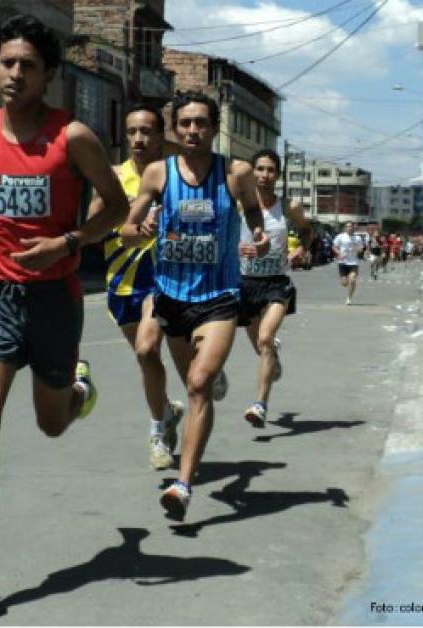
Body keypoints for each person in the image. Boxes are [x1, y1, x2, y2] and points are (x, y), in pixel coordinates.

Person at [0, 14, 129, 610]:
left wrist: (66, 244)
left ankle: (76, 390)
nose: (15, 74)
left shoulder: (73, 138)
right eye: (7, 63)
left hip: (53, 299)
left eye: (28, 66)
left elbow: (115, 208)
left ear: (49, 77)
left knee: (51, 423)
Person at [120, 90, 268, 522]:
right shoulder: (156, 175)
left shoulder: (235, 173)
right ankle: (190, 398)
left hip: (219, 297)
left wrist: (256, 235)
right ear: (175, 128)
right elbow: (128, 227)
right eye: (184, 123)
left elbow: (254, 213)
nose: (192, 131)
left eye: (200, 123)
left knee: (199, 385)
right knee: (184, 373)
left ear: (214, 128)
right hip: (170, 295)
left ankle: (183, 484)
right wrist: (140, 226)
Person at [86, 104, 228, 471]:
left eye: (147, 131)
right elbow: (92, 228)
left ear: (161, 135)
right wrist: (126, 214)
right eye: (132, 131)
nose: (138, 138)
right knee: (147, 357)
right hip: (123, 282)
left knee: (151, 349)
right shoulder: (112, 178)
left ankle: (158, 430)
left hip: (166, 278)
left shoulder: (175, 175)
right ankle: (166, 412)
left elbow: (208, 215)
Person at [237, 149, 311, 428]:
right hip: (245, 284)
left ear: (278, 175)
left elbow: (307, 230)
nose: (265, 175)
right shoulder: (239, 205)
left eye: (271, 170)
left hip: (276, 284)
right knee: (260, 343)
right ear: (252, 172)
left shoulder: (288, 207)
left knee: (266, 338)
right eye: (260, 169)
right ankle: (273, 361)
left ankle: (260, 404)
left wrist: (301, 249)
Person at [333, 221, 363, 305]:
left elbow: (361, 249)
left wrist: (356, 249)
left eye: (351, 226)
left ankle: (349, 298)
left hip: (353, 262)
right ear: (345, 228)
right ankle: (347, 282)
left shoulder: (358, 238)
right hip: (342, 262)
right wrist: (339, 253)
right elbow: (334, 247)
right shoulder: (340, 236)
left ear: (353, 228)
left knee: (352, 280)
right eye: (348, 226)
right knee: (344, 283)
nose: (349, 228)